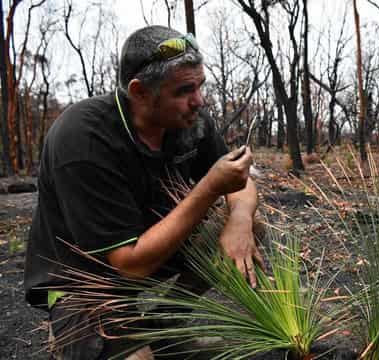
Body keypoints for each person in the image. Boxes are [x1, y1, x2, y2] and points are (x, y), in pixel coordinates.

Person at [24, 25, 264, 359]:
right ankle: (82, 336)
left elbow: (242, 183)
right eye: (184, 90)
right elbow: (129, 264)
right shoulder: (83, 140)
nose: (199, 101)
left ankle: (163, 327)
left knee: (251, 222)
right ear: (139, 92)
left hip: (151, 253)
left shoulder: (189, 120)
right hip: (89, 282)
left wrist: (239, 218)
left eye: (200, 86)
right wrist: (208, 188)